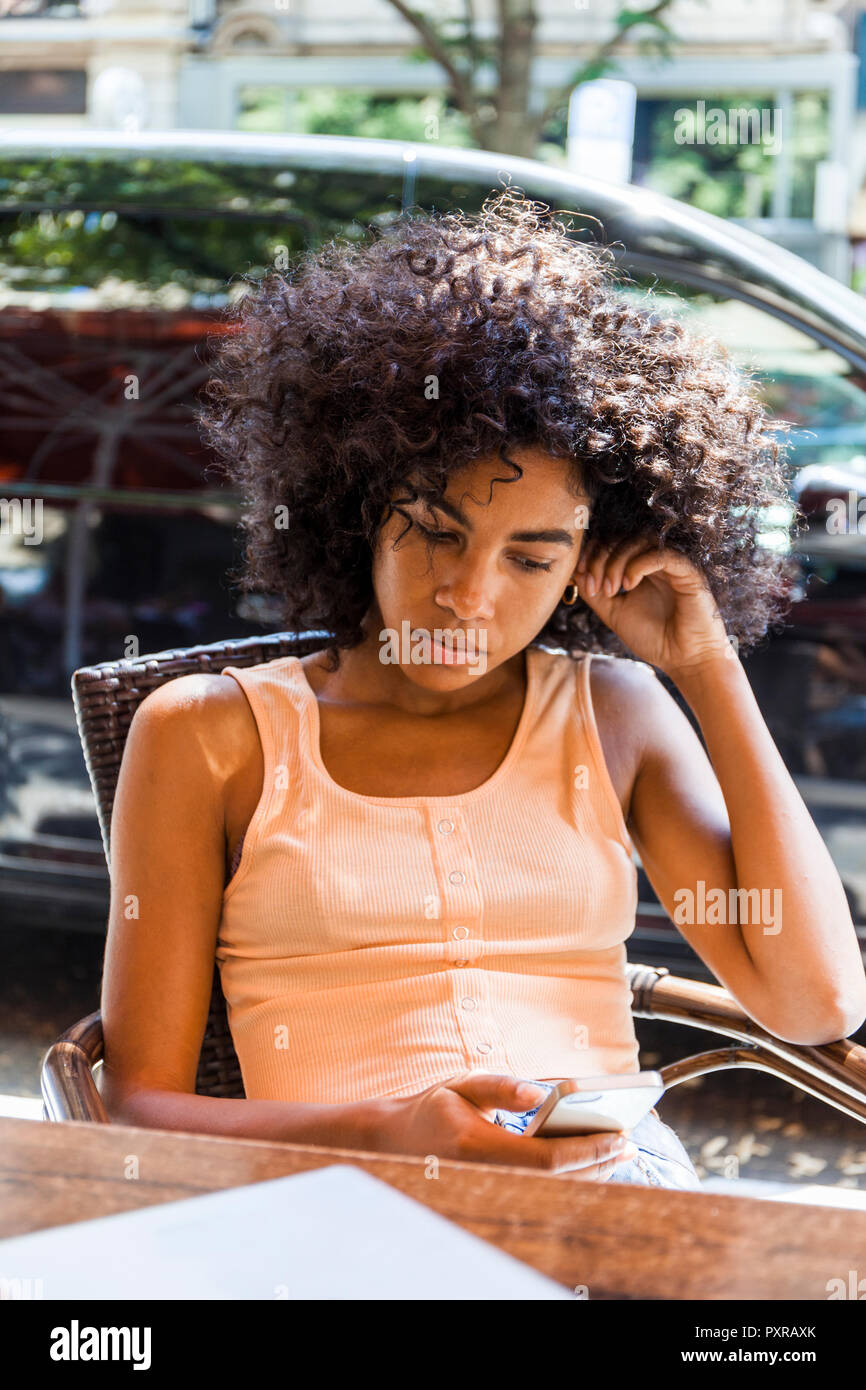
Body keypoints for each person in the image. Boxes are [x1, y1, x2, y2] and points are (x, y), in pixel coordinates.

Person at [99, 190, 866, 1188]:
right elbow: (137, 1105)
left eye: (531, 556)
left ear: (587, 565)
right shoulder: (208, 735)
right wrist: (385, 1133)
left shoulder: (616, 713)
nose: (467, 594)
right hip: (346, 1220)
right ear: (360, 502)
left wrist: (706, 671)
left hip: (610, 1204)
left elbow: (813, 1004)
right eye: (435, 529)